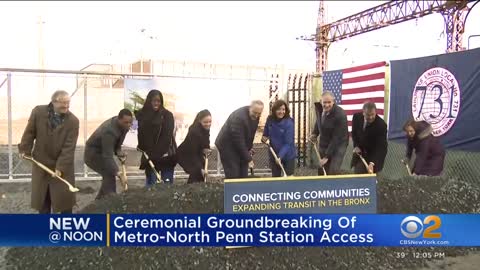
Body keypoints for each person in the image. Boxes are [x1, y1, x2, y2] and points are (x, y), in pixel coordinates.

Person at [18, 90, 79, 214]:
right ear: (54, 102)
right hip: (41, 162)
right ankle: (44, 228)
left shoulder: (73, 121)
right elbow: (30, 132)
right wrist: (25, 149)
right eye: (63, 103)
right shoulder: (38, 112)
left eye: (68, 103)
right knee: (43, 199)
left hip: (62, 164)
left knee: (64, 199)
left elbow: (69, 147)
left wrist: (60, 167)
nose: (66, 106)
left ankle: (66, 228)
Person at [84, 109, 132, 199]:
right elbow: (107, 156)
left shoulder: (124, 126)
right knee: (109, 173)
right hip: (92, 154)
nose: (128, 125)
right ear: (119, 119)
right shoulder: (109, 131)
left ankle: (99, 201)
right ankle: (111, 197)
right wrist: (119, 174)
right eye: (126, 123)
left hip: (103, 152)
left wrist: (119, 152)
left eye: (130, 123)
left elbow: (117, 144)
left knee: (109, 173)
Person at [135, 89, 177, 187]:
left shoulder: (167, 116)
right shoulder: (143, 115)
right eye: (154, 100)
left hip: (165, 157)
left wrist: (154, 155)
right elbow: (141, 136)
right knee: (151, 188)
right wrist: (142, 148)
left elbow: (166, 138)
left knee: (166, 187)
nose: (156, 103)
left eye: (159, 101)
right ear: (149, 101)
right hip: (150, 158)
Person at [215, 100, 264, 179]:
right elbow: (238, 140)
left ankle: (242, 189)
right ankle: (233, 189)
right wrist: (248, 159)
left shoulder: (256, 116)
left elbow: (251, 134)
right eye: (255, 113)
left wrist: (249, 148)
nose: (256, 115)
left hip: (238, 144)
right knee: (233, 174)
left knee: (243, 174)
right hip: (227, 146)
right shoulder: (239, 118)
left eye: (259, 113)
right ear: (250, 108)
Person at [310, 91, 349, 175]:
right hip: (324, 141)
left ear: (333, 102)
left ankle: (334, 187)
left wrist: (327, 156)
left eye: (329, 102)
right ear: (321, 101)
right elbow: (319, 121)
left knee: (333, 171)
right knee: (322, 169)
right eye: (324, 102)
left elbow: (336, 138)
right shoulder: (319, 109)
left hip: (339, 144)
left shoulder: (340, 115)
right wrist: (314, 133)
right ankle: (322, 187)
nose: (326, 105)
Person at [350, 101, 388, 174]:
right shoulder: (356, 117)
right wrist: (356, 146)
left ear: (375, 112)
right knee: (358, 174)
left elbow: (381, 147)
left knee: (371, 180)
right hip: (360, 154)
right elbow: (354, 134)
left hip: (373, 156)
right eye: (368, 115)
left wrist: (372, 163)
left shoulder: (381, 125)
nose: (370, 117)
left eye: (372, 114)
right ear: (363, 113)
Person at [261, 99, 296, 177]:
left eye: (283, 109)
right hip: (274, 153)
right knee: (276, 177)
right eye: (279, 109)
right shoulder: (270, 119)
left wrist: (280, 156)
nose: (281, 112)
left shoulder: (289, 123)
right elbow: (266, 133)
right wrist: (264, 137)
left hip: (287, 154)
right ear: (274, 110)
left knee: (289, 177)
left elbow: (288, 143)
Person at [177, 110, 212, 183]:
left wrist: (207, 149)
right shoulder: (194, 132)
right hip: (186, 155)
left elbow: (205, 143)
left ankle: (198, 189)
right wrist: (200, 168)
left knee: (201, 174)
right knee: (197, 172)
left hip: (197, 154)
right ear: (199, 121)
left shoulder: (205, 129)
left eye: (210, 122)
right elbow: (193, 153)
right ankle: (191, 190)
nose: (208, 124)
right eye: (205, 122)